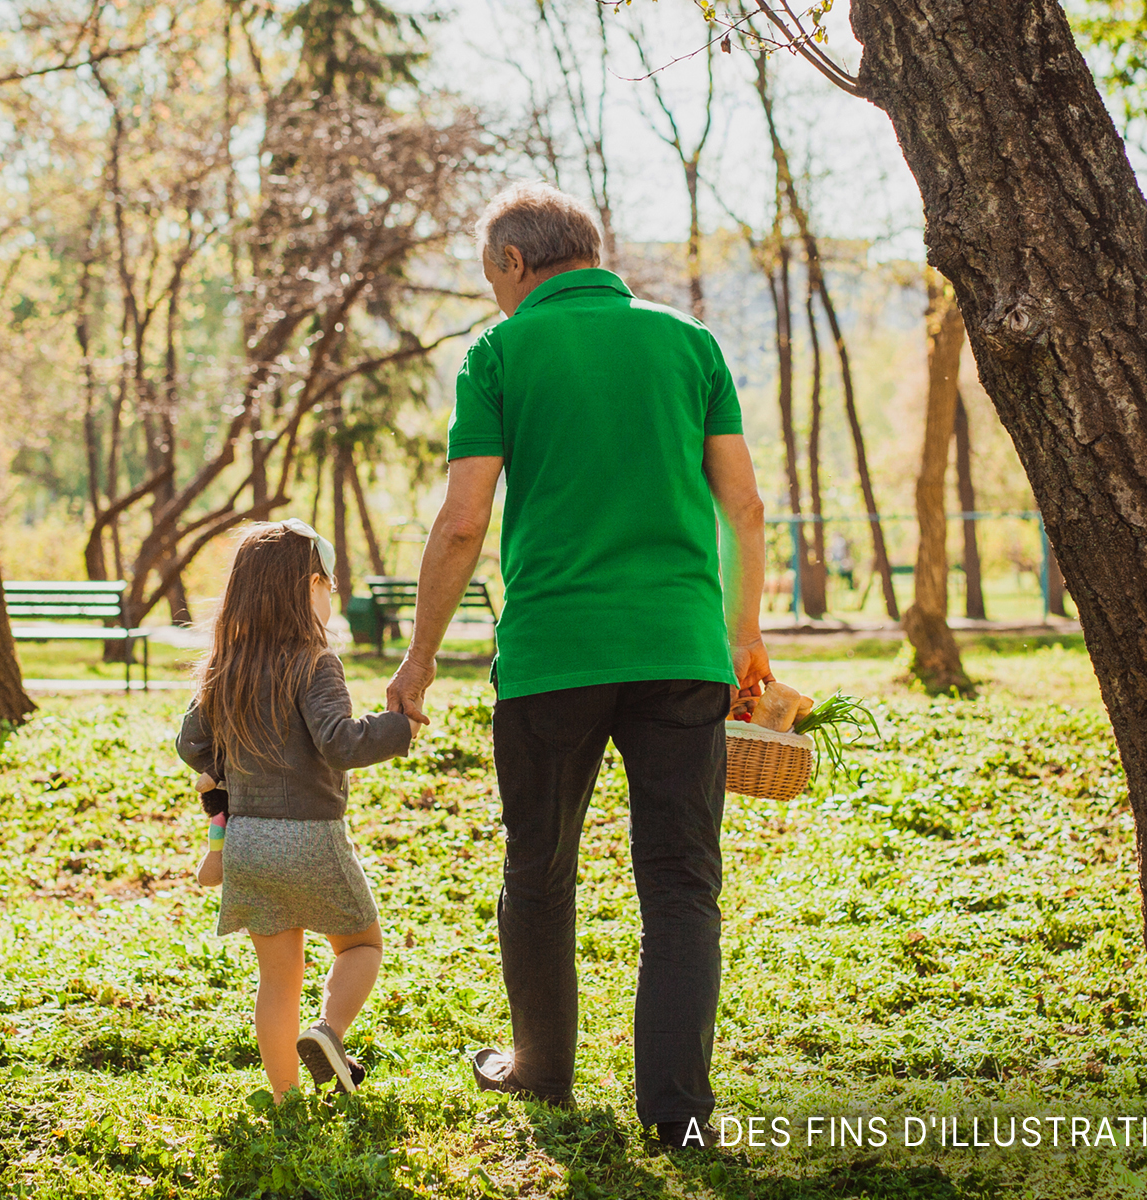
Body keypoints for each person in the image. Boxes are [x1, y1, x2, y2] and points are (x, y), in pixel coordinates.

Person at [384, 182, 771, 1149]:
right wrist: (746, 633)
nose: (495, 298)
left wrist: (419, 659)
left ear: (515, 264)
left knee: (540, 867)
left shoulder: (501, 352)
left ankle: (542, 1070)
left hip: (554, 656)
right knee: (683, 882)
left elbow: (464, 518)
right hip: (683, 652)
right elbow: (746, 508)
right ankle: (678, 1115)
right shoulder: (689, 343)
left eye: (491, 280)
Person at [177, 519, 415, 1097]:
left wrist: (223, 771)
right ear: (310, 585)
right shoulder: (315, 662)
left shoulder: (223, 666)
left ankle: (285, 1099)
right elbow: (339, 740)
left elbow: (191, 744)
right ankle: (329, 1032)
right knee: (362, 945)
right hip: (312, 836)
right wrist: (398, 727)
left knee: (278, 979)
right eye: (329, 585)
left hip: (248, 843)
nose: (331, 596)